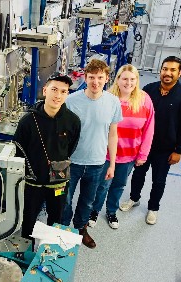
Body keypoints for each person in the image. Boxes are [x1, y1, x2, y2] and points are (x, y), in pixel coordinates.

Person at [120, 56, 181, 224]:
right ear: (160, 70)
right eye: (165, 69)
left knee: (159, 180)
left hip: (166, 149)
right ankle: (134, 198)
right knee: (138, 175)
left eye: (172, 70)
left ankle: (153, 207)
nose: (167, 73)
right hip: (143, 145)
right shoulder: (148, 90)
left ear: (179, 72)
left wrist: (178, 151)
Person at [62, 59, 122, 249]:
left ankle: (81, 228)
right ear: (85, 78)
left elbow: (113, 134)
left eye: (100, 77)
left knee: (87, 202)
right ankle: (63, 230)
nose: (95, 82)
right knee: (65, 200)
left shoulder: (113, 102)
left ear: (106, 78)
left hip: (97, 162)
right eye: (91, 77)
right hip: (72, 162)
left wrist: (111, 164)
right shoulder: (71, 101)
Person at [13, 73, 81, 242]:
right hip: (33, 181)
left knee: (56, 218)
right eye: (54, 89)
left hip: (59, 180)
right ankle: (26, 249)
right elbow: (19, 149)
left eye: (63, 91)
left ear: (67, 94)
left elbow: (70, 148)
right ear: (45, 91)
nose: (58, 95)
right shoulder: (28, 121)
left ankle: (49, 248)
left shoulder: (73, 121)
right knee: (29, 217)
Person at [88, 64, 155, 229]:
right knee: (102, 185)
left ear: (137, 81)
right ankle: (94, 211)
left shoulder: (144, 100)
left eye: (133, 79)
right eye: (124, 78)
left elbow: (149, 129)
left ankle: (111, 211)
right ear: (117, 80)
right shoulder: (107, 97)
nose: (128, 82)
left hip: (129, 155)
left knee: (119, 185)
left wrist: (143, 155)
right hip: (105, 154)